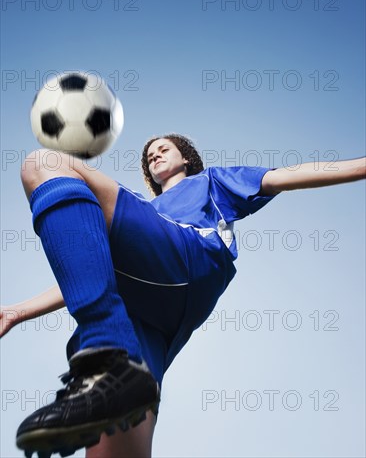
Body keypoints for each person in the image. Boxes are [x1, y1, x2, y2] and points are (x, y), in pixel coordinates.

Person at [1, 134, 365, 458]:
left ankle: (104, 350)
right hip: (153, 323)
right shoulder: (139, 221)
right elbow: (87, 268)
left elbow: (286, 176)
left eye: (164, 149)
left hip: (189, 258)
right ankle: (116, 369)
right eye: (149, 155)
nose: (154, 155)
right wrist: (18, 311)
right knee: (114, 430)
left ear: (186, 158)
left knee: (44, 164)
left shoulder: (211, 182)